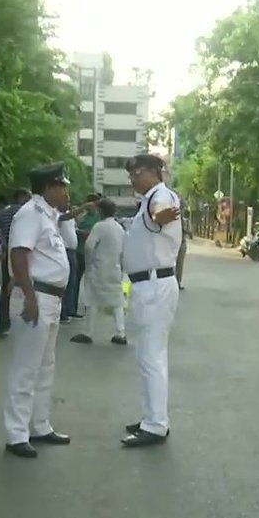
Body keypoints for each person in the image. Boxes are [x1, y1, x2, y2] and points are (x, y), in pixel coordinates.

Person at [3, 163, 72, 458]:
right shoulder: (31, 213)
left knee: (45, 366)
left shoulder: (48, 216)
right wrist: (28, 295)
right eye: (62, 186)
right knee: (26, 367)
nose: (66, 191)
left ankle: (39, 424)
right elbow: (19, 252)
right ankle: (16, 433)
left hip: (50, 298)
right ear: (48, 188)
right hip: (36, 296)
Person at [120, 154, 182, 448]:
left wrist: (165, 214)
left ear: (155, 173)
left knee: (152, 357)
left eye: (137, 172)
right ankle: (151, 418)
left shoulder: (162, 196)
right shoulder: (149, 199)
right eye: (131, 173)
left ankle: (155, 424)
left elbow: (164, 214)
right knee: (147, 356)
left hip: (155, 284)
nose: (132, 177)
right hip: (147, 285)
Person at [70, 198, 127, 346]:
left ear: (101, 211)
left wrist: (89, 263)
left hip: (98, 268)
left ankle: (89, 332)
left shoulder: (99, 226)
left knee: (92, 299)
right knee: (117, 301)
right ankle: (121, 333)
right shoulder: (119, 228)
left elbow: (89, 246)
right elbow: (123, 250)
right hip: (114, 268)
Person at [0, 188, 32, 338]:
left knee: (6, 289)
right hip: (23, 253)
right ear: (22, 197)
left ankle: (3, 325)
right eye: (28, 196)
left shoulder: (3, 213)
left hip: (8, 254)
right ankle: (25, 322)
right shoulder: (26, 213)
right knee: (26, 287)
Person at [74, 193, 103, 309]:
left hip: (95, 253)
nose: (92, 207)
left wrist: (85, 233)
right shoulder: (82, 215)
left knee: (93, 278)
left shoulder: (100, 217)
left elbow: (98, 233)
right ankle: (74, 305)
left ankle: (92, 302)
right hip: (80, 251)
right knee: (77, 280)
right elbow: (74, 226)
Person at [58, 203, 80, 323]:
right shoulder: (60, 215)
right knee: (65, 283)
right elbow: (67, 216)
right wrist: (84, 207)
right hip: (65, 251)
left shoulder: (71, 219)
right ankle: (62, 312)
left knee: (72, 282)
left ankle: (69, 309)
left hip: (72, 251)